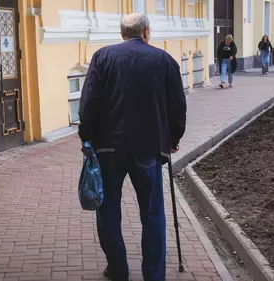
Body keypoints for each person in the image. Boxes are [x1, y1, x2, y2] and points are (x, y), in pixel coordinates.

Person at [78, 13, 187, 281]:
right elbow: (177, 106)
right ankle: (153, 275)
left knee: (108, 212)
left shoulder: (102, 58)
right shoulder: (164, 60)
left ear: (122, 34)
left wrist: (87, 138)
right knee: (152, 215)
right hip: (149, 148)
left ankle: (118, 269)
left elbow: (88, 103)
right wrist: (173, 139)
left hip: (107, 150)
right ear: (146, 32)